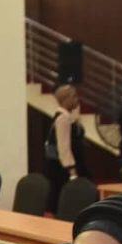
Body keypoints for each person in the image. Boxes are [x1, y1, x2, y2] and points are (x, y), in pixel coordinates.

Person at [43, 84, 90, 214]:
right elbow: (64, 147)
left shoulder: (68, 117)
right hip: (63, 170)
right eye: (74, 96)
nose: (77, 99)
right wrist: (72, 171)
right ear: (66, 99)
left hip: (66, 166)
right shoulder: (63, 119)